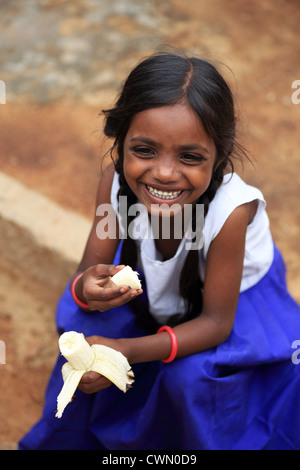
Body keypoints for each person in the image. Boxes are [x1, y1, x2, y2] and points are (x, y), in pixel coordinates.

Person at [19, 52, 300, 450]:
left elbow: (216, 323)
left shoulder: (231, 214)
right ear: (120, 142)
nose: (165, 173)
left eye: (190, 156)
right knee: (78, 321)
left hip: (232, 303)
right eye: (144, 150)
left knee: (191, 379)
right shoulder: (114, 183)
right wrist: (86, 289)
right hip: (153, 289)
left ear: (219, 156)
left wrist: (128, 352)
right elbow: (87, 270)